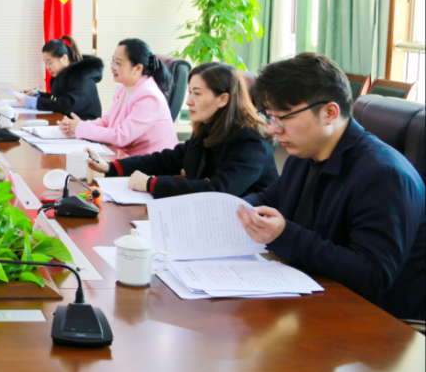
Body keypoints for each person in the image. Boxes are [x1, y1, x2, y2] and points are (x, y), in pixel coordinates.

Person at [237, 53, 424, 320]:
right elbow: (269, 198)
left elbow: (372, 276)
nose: (274, 129)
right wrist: (232, 208)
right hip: (316, 299)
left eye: (283, 117)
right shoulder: (306, 153)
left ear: (329, 113)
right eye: (270, 116)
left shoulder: (384, 175)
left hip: (375, 325)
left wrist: (285, 235)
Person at [88, 62, 277, 198]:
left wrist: (151, 184)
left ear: (223, 99)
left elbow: (218, 190)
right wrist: (111, 167)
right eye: (189, 92)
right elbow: (169, 159)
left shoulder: (251, 142)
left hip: (249, 231)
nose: (188, 101)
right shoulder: (209, 127)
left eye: (197, 93)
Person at [60, 38, 178, 157]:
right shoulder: (123, 88)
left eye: (118, 63)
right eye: (112, 61)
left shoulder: (149, 96)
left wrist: (80, 128)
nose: (112, 67)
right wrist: (78, 125)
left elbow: (121, 136)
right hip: (128, 157)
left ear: (138, 68)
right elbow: (107, 122)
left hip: (153, 163)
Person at [23, 35, 103, 120]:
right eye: (46, 63)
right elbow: (59, 99)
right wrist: (37, 95)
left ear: (64, 58)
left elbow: (66, 105)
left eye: (50, 62)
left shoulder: (81, 76)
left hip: (85, 126)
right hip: (70, 123)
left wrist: (33, 102)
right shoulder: (68, 76)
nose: (48, 67)